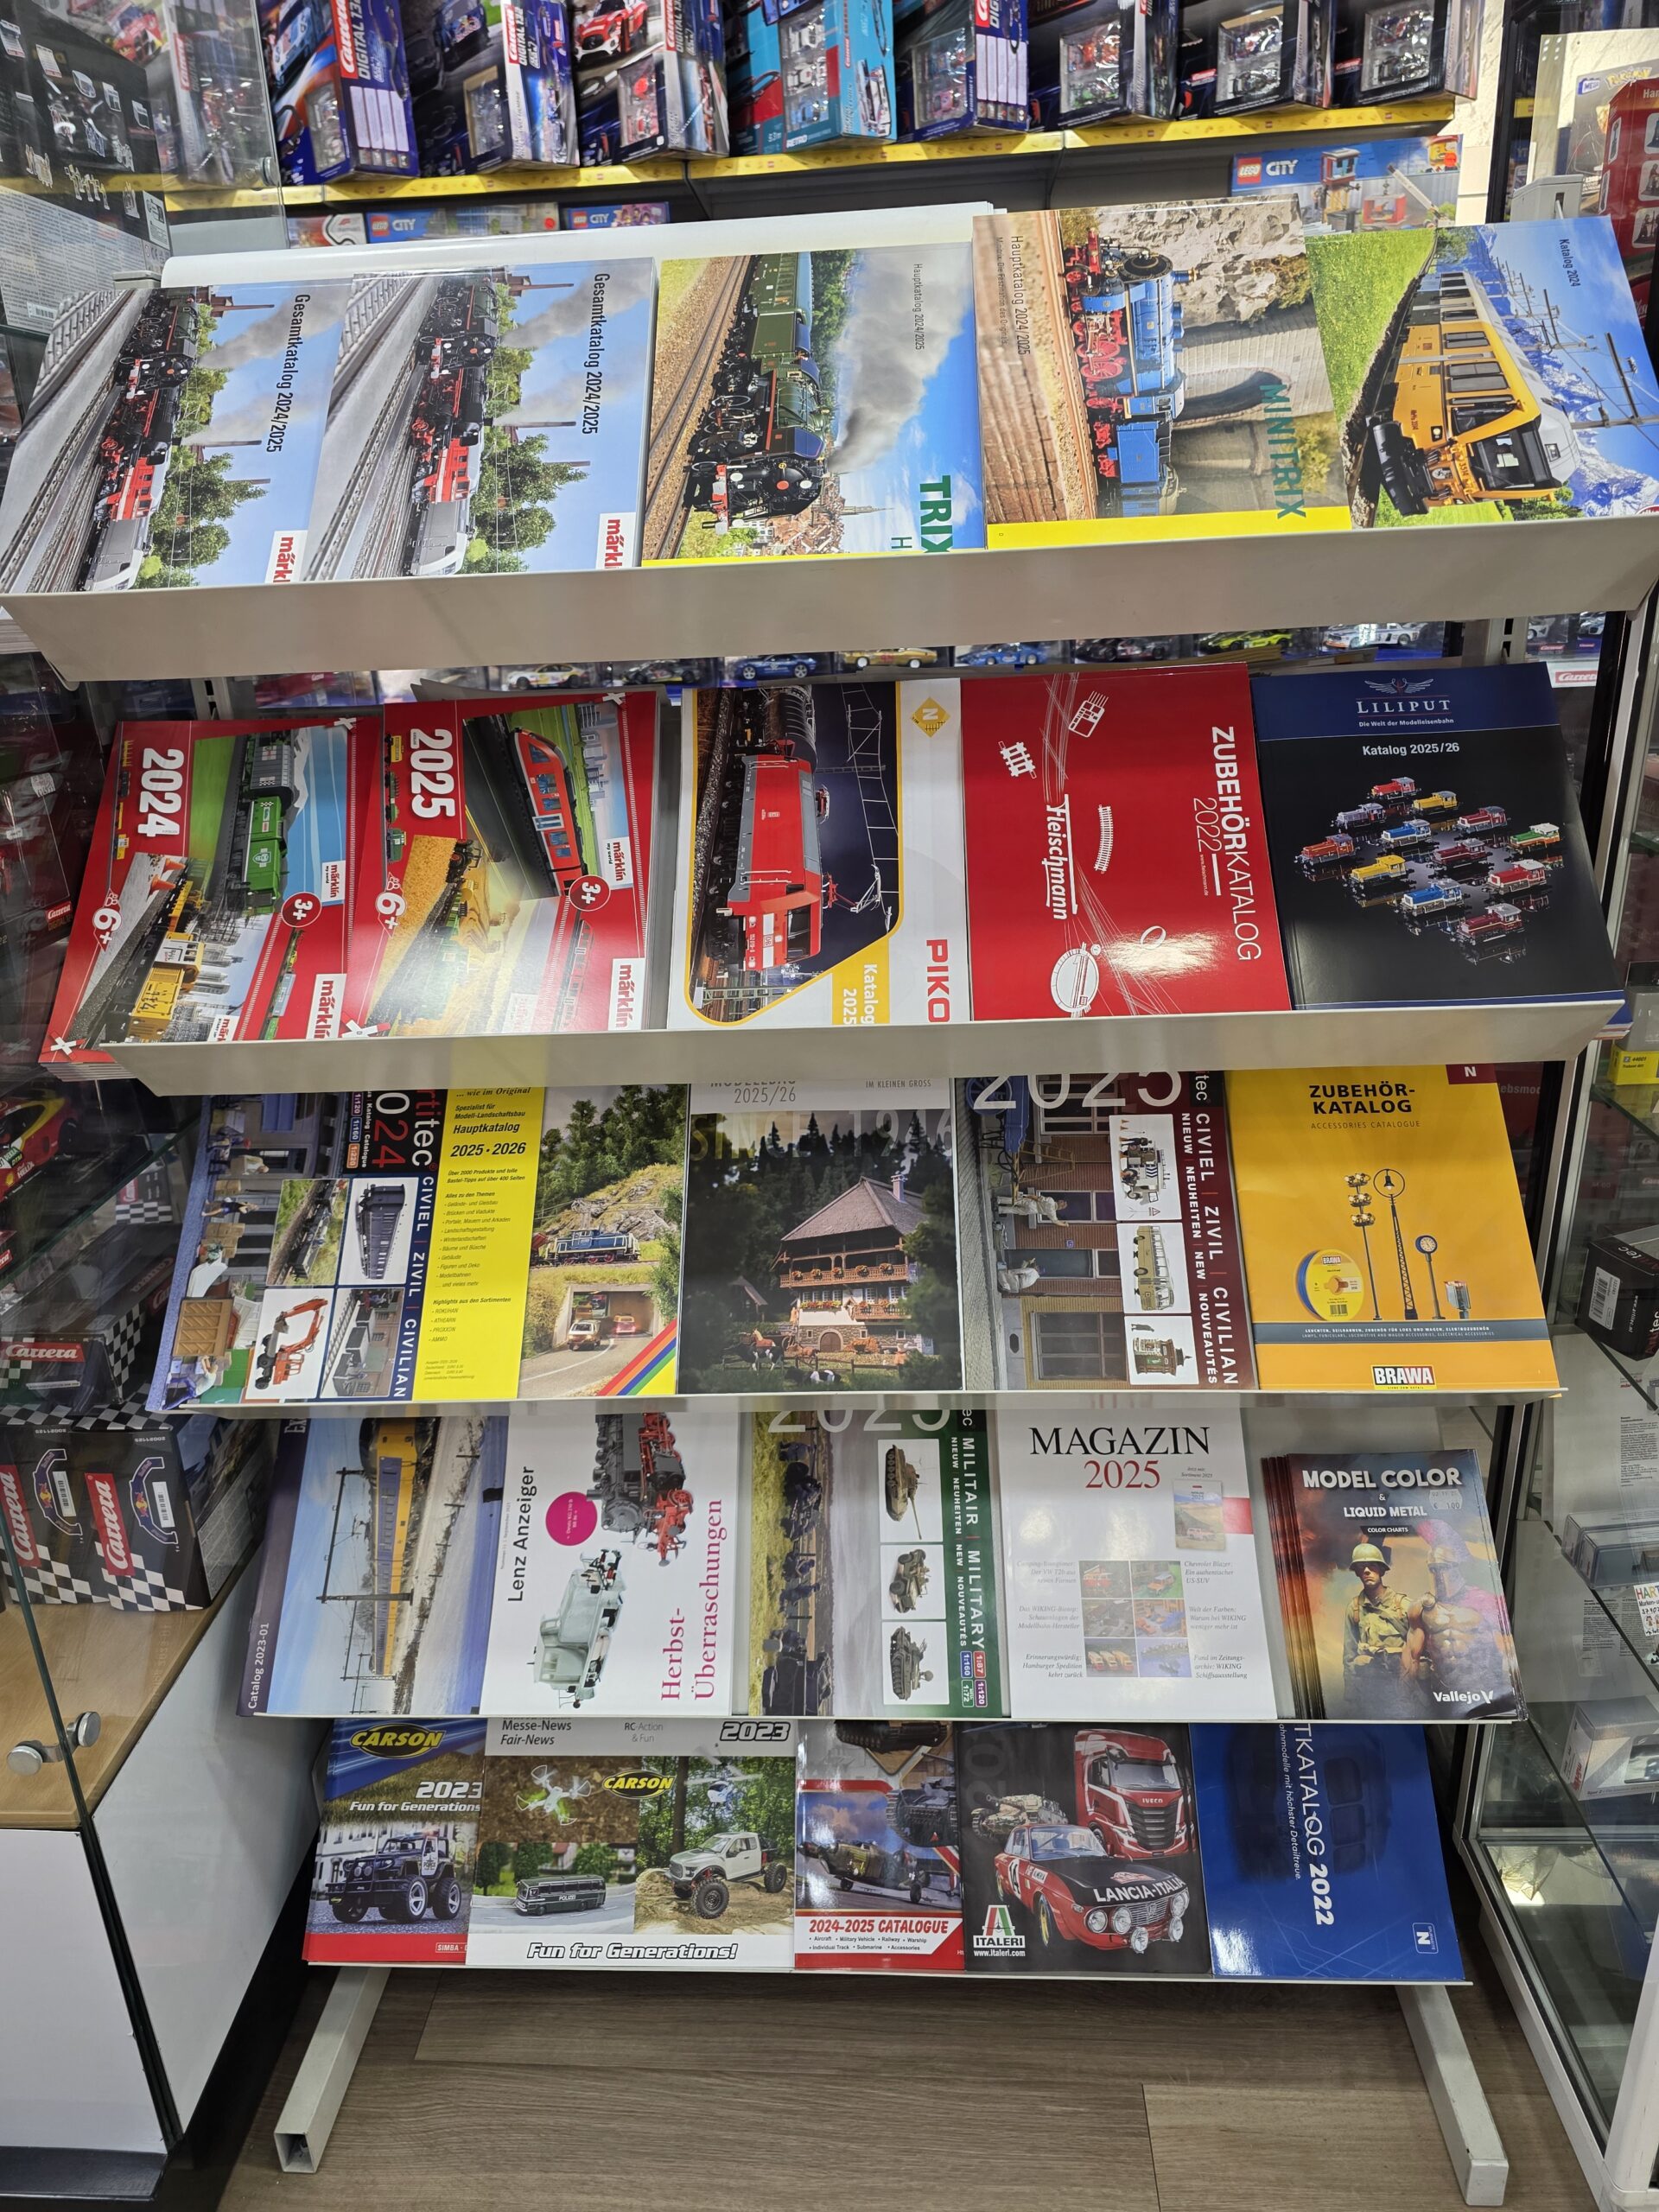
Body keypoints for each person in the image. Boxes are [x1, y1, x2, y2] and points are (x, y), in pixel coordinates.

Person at [1407, 1544, 1516, 1710]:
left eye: (1443, 1567)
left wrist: (1507, 1697)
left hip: (1480, 1691)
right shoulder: (1419, 1608)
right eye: (1433, 1569)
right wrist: (1406, 1696)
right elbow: (1412, 1656)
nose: (1438, 1574)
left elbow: (1506, 1653)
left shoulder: (1485, 1601)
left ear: (1457, 1567)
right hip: (1441, 1690)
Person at [1340, 1539, 1417, 1717]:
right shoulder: (1355, 1608)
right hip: (1369, 1689)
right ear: (1357, 1573)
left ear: (1382, 1570)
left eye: (1372, 1566)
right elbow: (1349, 1656)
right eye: (1361, 1567)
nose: (1367, 1571)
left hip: (1400, 1686)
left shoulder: (1404, 1606)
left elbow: (1418, 1653)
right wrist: (1351, 1698)